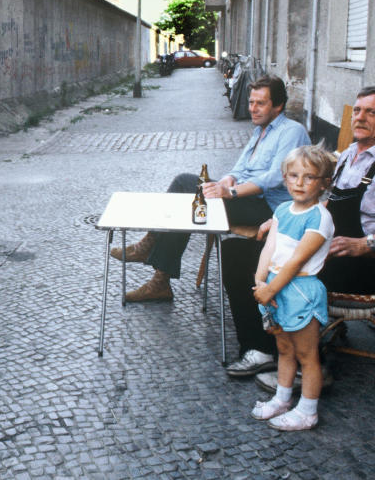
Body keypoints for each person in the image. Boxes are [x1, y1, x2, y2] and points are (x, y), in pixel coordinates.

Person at [253, 85, 375, 393]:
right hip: (333, 255)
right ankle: (275, 349)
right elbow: (325, 206)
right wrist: (284, 219)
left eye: (372, 112)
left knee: (282, 271)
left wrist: (365, 243)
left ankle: (303, 363)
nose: (360, 117)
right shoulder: (347, 156)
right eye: (357, 110)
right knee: (251, 251)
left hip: (367, 265)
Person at [111, 75, 309, 377]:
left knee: (192, 193)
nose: (253, 108)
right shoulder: (261, 131)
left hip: (270, 208)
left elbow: (275, 178)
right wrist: (226, 180)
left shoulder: (291, 131)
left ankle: (155, 261)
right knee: (186, 184)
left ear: (278, 105)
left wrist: (229, 192)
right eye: (251, 102)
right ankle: (158, 272)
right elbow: (241, 168)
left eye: (260, 103)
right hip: (245, 197)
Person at [250, 145, 335, 431]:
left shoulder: (319, 218)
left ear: (324, 183)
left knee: (307, 355)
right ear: (285, 178)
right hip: (275, 286)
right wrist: (260, 281)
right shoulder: (283, 209)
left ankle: (308, 411)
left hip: (300, 290)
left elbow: (298, 261)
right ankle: (282, 398)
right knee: (284, 348)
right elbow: (270, 248)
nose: (300, 183)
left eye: (309, 177)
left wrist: (270, 290)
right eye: (294, 175)